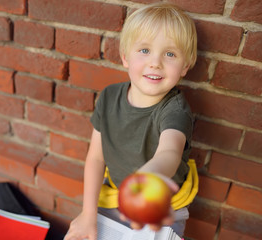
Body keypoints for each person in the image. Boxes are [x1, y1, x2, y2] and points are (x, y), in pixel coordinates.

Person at [64, 2, 198, 240]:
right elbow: (96, 158)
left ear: (185, 66)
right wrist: (87, 214)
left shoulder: (175, 110)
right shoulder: (108, 97)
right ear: (125, 57)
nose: (155, 62)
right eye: (145, 50)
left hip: (164, 204)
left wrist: (149, 178)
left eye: (170, 54)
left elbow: (169, 151)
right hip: (116, 195)